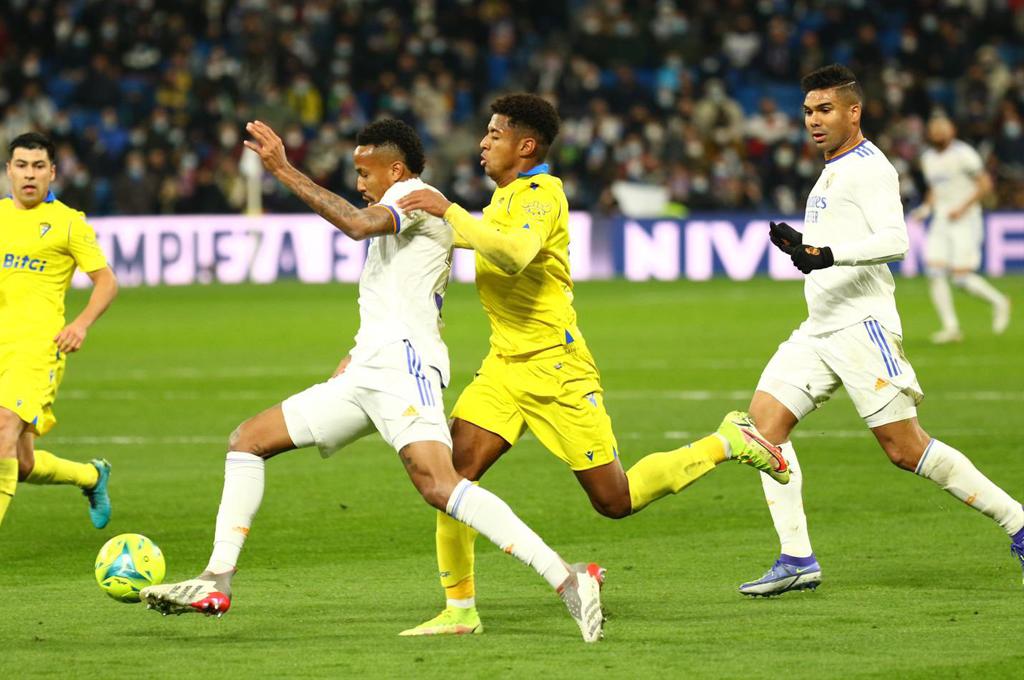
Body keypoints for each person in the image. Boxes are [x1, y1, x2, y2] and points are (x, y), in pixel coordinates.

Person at [139, 119, 606, 642]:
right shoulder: (405, 199)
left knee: (442, 485)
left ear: (396, 170)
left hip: (404, 368)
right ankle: (217, 579)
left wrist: (283, 170)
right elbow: (395, 286)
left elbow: (357, 225)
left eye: (366, 173)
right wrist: (357, 352)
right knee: (246, 441)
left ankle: (567, 578)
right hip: (368, 368)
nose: (360, 183)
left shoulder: (414, 196)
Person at [396, 93, 788, 636]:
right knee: (453, 481)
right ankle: (460, 611)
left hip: (557, 369)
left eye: (494, 134)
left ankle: (727, 441)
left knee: (614, 500)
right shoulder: (503, 198)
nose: (482, 143)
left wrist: (448, 211)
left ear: (525, 146)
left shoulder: (542, 195)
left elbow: (513, 255)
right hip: (503, 366)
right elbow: (470, 237)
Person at [742, 64, 1024, 596]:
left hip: (860, 326)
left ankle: (1020, 523)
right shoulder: (832, 169)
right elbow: (834, 245)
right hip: (819, 327)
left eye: (825, 109)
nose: (814, 120)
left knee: (904, 449)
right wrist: (806, 247)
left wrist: (826, 254)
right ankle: (797, 558)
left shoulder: (870, 168)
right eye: (808, 111)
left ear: (854, 112)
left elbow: (896, 241)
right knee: (763, 429)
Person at [0, 132, 118, 529]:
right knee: (23, 463)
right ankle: (91, 476)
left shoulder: (68, 223)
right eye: (21, 165)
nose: (29, 174)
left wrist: (80, 324)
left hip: (37, 349)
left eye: (38, 166)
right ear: (9, 170)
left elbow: (107, 281)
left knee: (2, 426)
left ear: (52, 172)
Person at [913, 115, 1010, 344]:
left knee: (961, 278)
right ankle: (951, 328)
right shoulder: (927, 158)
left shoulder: (964, 154)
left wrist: (962, 208)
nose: (938, 133)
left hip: (966, 219)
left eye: (942, 129)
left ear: (952, 131)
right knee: (934, 272)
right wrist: (926, 208)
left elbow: (985, 184)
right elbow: (935, 189)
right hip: (941, 220)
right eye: (934, 129)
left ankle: (1000, 302)